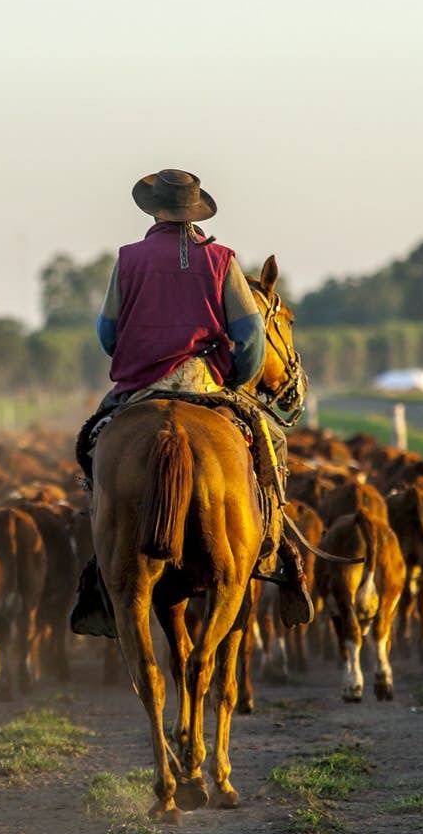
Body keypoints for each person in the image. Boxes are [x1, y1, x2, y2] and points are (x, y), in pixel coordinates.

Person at [69, 168, 314, 638]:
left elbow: (107, 334)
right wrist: (236, 380)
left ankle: (103, 564)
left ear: (154, 209)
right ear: (196, 212)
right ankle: (274, 548)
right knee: (273, 440)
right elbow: (251, 338)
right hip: (206, 383)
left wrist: (138, 359)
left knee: (94, 445)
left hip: (139, 386)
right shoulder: (222, 259)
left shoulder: (128, 259)